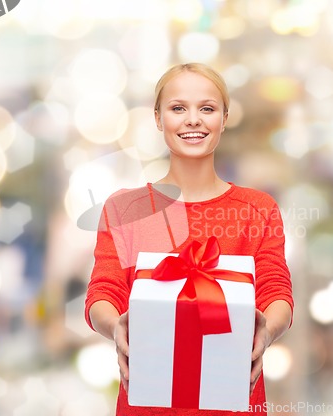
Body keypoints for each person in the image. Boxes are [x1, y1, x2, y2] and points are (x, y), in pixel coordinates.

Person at [85, 63, 294, 416]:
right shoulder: (126, 208)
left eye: (207, 108)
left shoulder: (257, 209)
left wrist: (266, 332)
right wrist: (116, 326)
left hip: (233, 401)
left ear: (225, 118)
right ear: (157, 118)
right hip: (147, 404)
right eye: (178, 108)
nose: (193, 120)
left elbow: (277, 291)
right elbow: (103, 290)